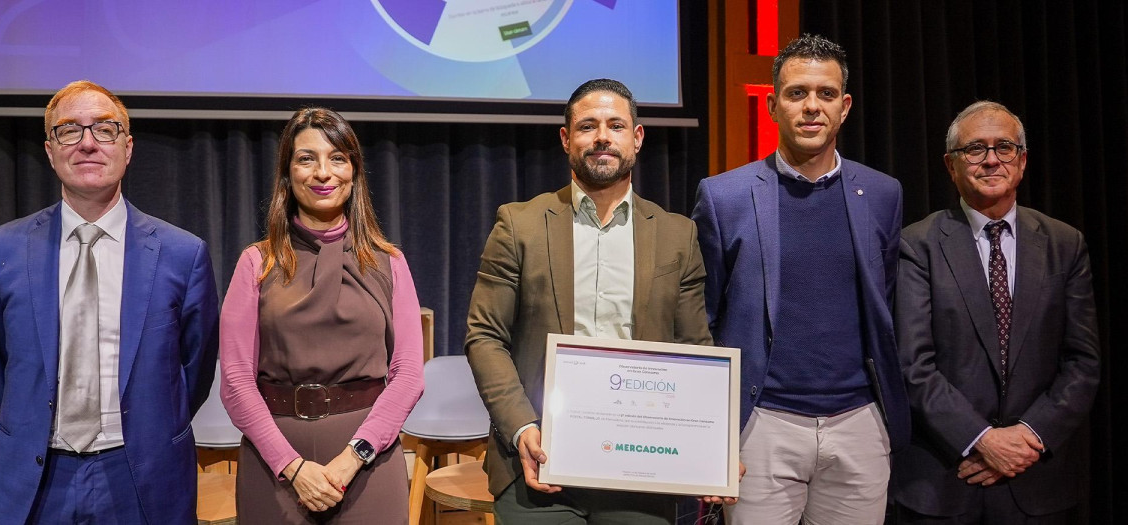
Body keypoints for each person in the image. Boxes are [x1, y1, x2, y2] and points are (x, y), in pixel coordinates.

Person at [465, 78, 738, 524]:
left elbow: (695, 350)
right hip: (537, 462)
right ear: (566, 138)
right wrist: (521, 428)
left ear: (638, 136)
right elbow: (484, 336)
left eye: (615, 125)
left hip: (642, 469)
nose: (602, 137)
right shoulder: (519, 224)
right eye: (588, 126)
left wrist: (712, 450)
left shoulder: (676, 235)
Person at [0, 80, 220, 524]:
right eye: (69, 130)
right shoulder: (2, 249)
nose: (88, 143)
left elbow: (193, 371)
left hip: (138, 474)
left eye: (105, 130)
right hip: (37, 473)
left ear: (128, 147)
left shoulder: (182, 254)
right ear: (50, 151)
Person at [691, 34, 909, 524]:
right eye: (797, 93)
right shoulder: (723, 196)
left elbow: (886, 304)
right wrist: (710, 434)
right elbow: (701, 321)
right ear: (772, 105)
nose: (812, 107)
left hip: (860, 424)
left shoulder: (882, 193)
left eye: (826, 94)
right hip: (761, 425)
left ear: (845, 106)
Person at [892, 101, 1101, 524]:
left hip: (1037, 480)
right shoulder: (917, 245)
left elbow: (1082, 362)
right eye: (974, 149)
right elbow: (912, 364)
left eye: (1004, 147)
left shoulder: (1065, 243)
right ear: (951, 166)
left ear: (1022, 161)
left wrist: (1027, 438)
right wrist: (981, 439)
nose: (991, 159)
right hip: (944, 480)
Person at [219, 107, 424, 523]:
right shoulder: (256, 263)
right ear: (288, 173)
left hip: (368, 460)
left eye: (337, 158)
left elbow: (408, 375)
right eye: (306, 158)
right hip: (274, 460)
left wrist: (355, 456)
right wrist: (291, 467)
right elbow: (236, 382)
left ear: (354, 171)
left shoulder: (389, 262)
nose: (323, 173)